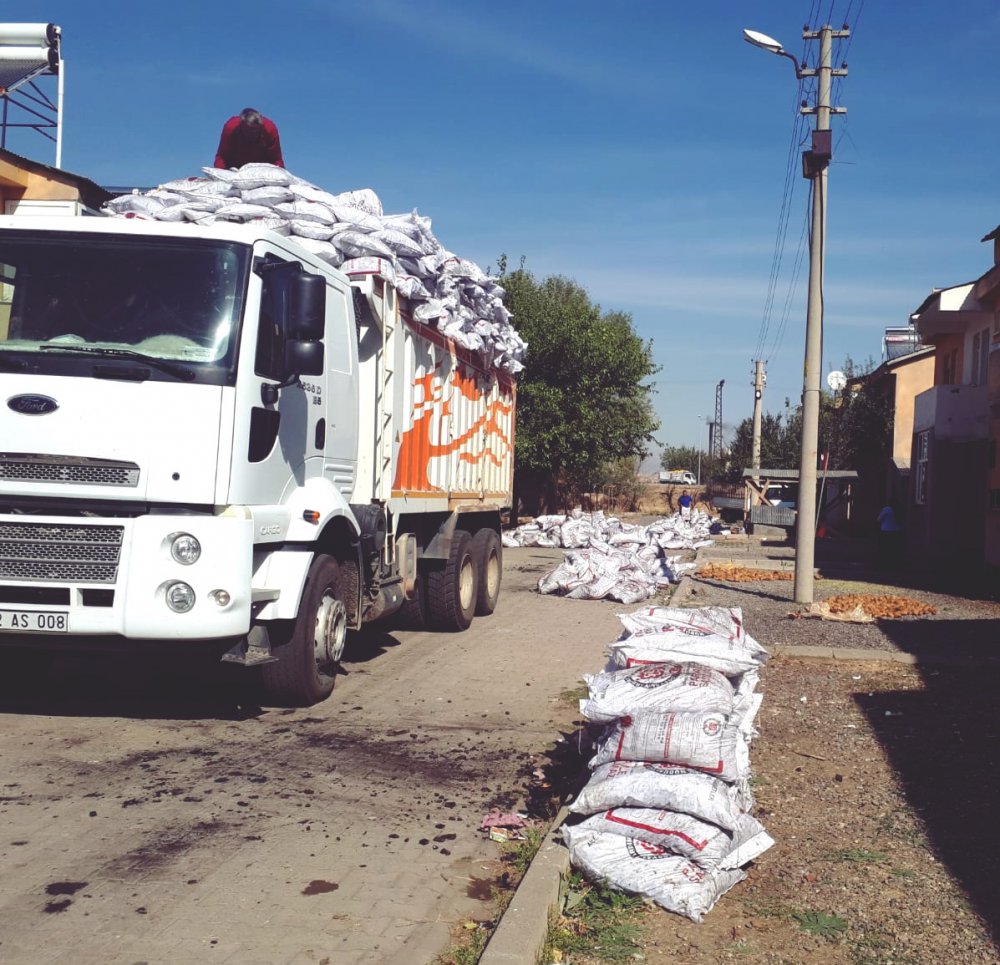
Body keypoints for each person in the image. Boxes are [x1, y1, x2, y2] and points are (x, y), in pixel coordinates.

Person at [214, 108, 284, 169]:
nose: (253, 134)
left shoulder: (270, 129)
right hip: (233, 168)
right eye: (249, 131)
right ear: (241, 124)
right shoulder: (231, 128)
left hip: (262, 169)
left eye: (256, 131)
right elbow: (222, 156)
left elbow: (276, 159)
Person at [877, 502, 903, 570]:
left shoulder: (887, 509)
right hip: (897, 530)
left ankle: (885, 564)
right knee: (894, 549)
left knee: (885, 549)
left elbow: (879, 519)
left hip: (886, 530)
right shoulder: (898, 509)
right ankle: (895, 564)